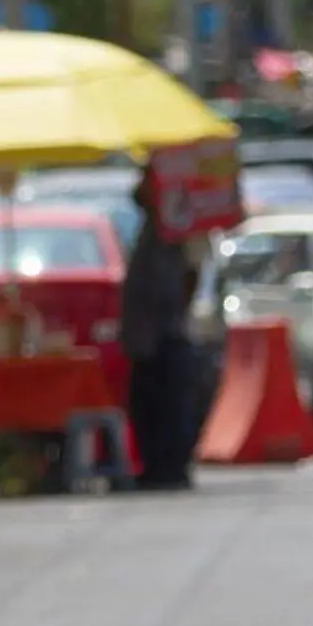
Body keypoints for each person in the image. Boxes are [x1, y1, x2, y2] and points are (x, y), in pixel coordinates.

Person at [121, 167, 197, 490]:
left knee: (167, 405)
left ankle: (169, 468)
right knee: (147, 405)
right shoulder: (152, 226)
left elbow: (189, 274)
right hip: (145, 337)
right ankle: (156, 466)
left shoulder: (176, 227)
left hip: (165, 335)